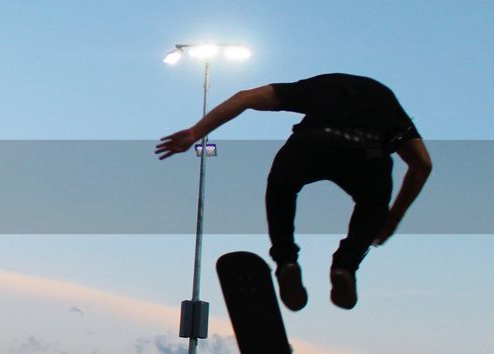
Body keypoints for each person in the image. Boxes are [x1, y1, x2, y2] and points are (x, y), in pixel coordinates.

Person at [158, 73, 432, 310]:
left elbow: (245, 98)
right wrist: (392, 219)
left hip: (312, 143)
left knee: (281, 186)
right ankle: (345, 265)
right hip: (368, 153)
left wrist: (196, 132)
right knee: (374, 203)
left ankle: (286, 260)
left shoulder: (315, 88)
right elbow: (423, 165)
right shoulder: (391, 110)